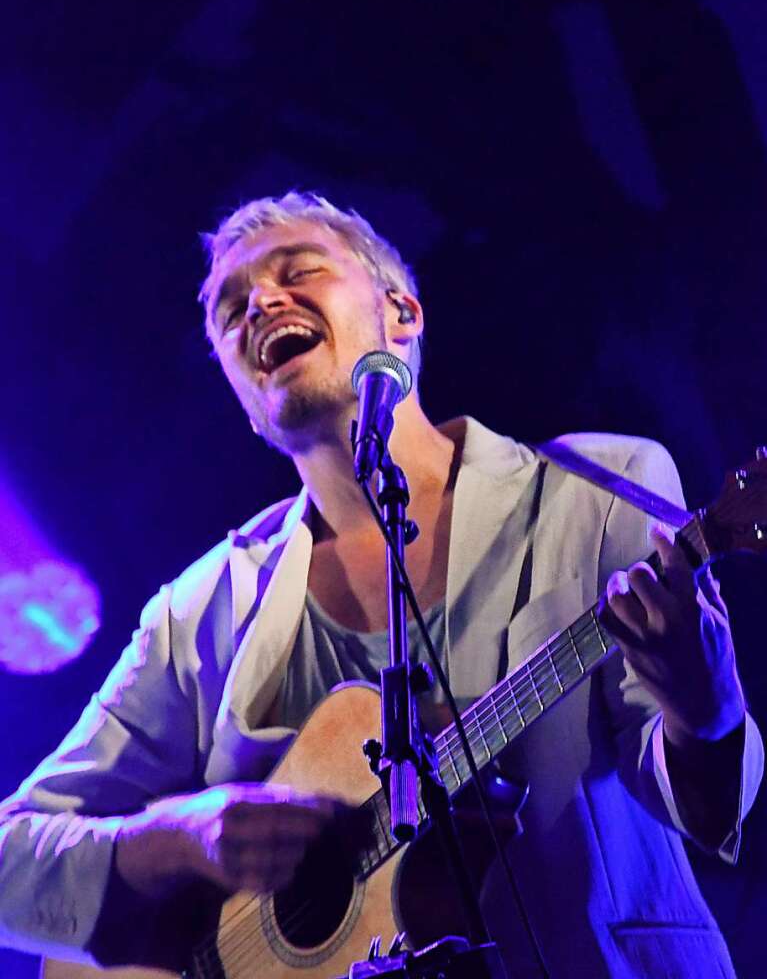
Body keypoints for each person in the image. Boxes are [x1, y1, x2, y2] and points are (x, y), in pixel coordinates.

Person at [0, 192, 762, 978]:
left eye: (299, 272)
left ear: (399, 312)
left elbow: (710, 817)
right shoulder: (203, 610)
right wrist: (170, 838)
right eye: (232, 311)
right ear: (242, 395)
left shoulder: (602, 488)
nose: (261, 302)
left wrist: (704, 711)